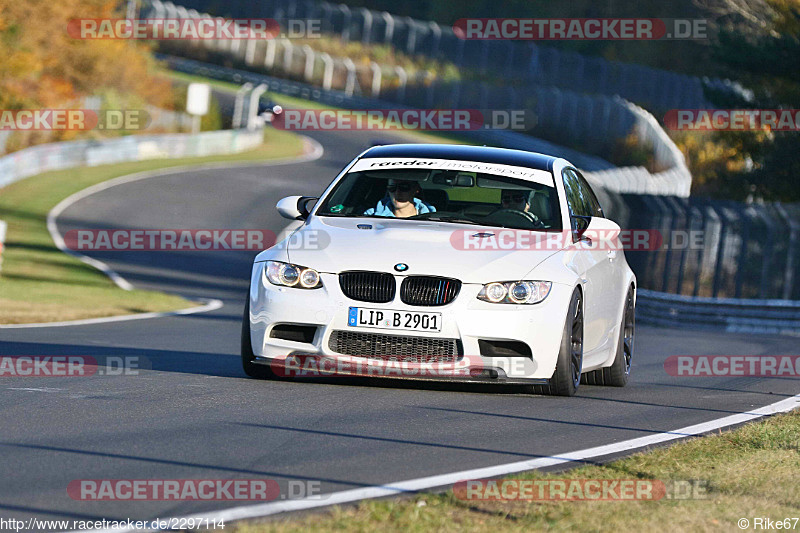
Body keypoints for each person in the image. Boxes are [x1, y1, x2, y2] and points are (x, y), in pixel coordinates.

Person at [364, 179, 436, 218]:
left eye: (404, 187)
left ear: (416, 189)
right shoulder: (369, 216)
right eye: (392, 188)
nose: (397, 193)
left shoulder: (436, 218)